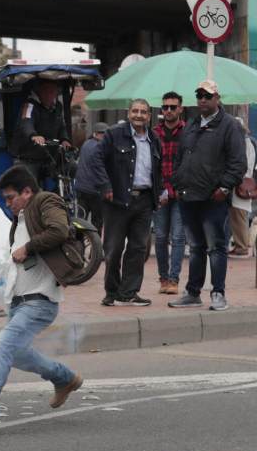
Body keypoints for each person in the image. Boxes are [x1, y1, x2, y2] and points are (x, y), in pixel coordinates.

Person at [0, 166, 83, 433]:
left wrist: (27, 248)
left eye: (11, 198)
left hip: (40, 300)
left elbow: (59, 229)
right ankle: (65, 378)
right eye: (6, 199)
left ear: (27, 192)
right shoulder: (19, 222)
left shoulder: (44, 201)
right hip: (20, 302)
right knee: (16, 353)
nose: (7, 204)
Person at [169, 80, 247, 311]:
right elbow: (180, 157)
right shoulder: (192, 124)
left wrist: (224, 189)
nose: (202, 99)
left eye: (207, 95)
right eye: (199, 95)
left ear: (217, 98)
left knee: (216, 247)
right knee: (195, 248)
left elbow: (238, 163)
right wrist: (177, 180)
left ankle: (218, 293)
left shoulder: (229, 125)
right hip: (188, 196)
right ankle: (193, 293)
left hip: (213, 199)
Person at [92, 99, 162, 307]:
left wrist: (159, 193)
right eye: (135, 111)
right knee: (113, 248)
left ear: (149, 115)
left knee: (138, 248)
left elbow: (157, 170)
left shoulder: (154, 139)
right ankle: (112, 292)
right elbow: (95, 160)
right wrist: (106, 187)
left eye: (143, 112)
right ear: (129, 113)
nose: (139, 115)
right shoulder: (114, 134)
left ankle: (129, 292)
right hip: (118, 200)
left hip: (145, 200)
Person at [152, 92, 188, 294]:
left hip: (181, 193)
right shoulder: (154, 133)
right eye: (165, 107)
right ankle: (163, 279)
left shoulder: (188, 132)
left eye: (173, 107)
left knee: (178, 237)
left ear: (180, 109)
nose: (168, 111)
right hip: (159, 194)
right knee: (159, 237)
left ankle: (174, 280)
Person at [10, 79, 73, 183]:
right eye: (46, 91)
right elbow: (26, 122)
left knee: (71, 168)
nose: (50, 95)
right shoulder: (30, 105)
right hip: (27, 156)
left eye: (53, 92)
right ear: (39, 92)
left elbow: (62, 125)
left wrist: (64, 139)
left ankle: (63, 196)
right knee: (29, 186)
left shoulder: (58, 107)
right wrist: (33, 135)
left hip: (48, 155)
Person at [72, 121, 109, 237]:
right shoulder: (100, 147)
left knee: (80, 219)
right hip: (95, 190)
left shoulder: (86, 144)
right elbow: (101, 171)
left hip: (81, 188)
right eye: (102, 134)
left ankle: (77, 245)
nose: (104, 136)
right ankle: (95, 248)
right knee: (97, 222)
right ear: (95, 134)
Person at [228, 116, 255, 257]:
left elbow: (245, 165)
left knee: (239, 215)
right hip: (239, 183)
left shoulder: (245, 143)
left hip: (241, 184)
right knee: (238, 215)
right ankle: (240, 244)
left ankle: (242, 246)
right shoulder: (244, 143)